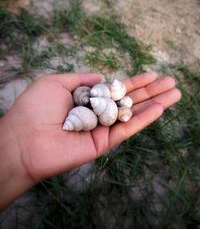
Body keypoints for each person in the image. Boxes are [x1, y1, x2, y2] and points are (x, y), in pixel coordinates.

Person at [0, 72, 181, 211]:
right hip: (95, 113)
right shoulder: (95, 104)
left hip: (100, 112)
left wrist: (19, 143)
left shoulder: (103, 104)